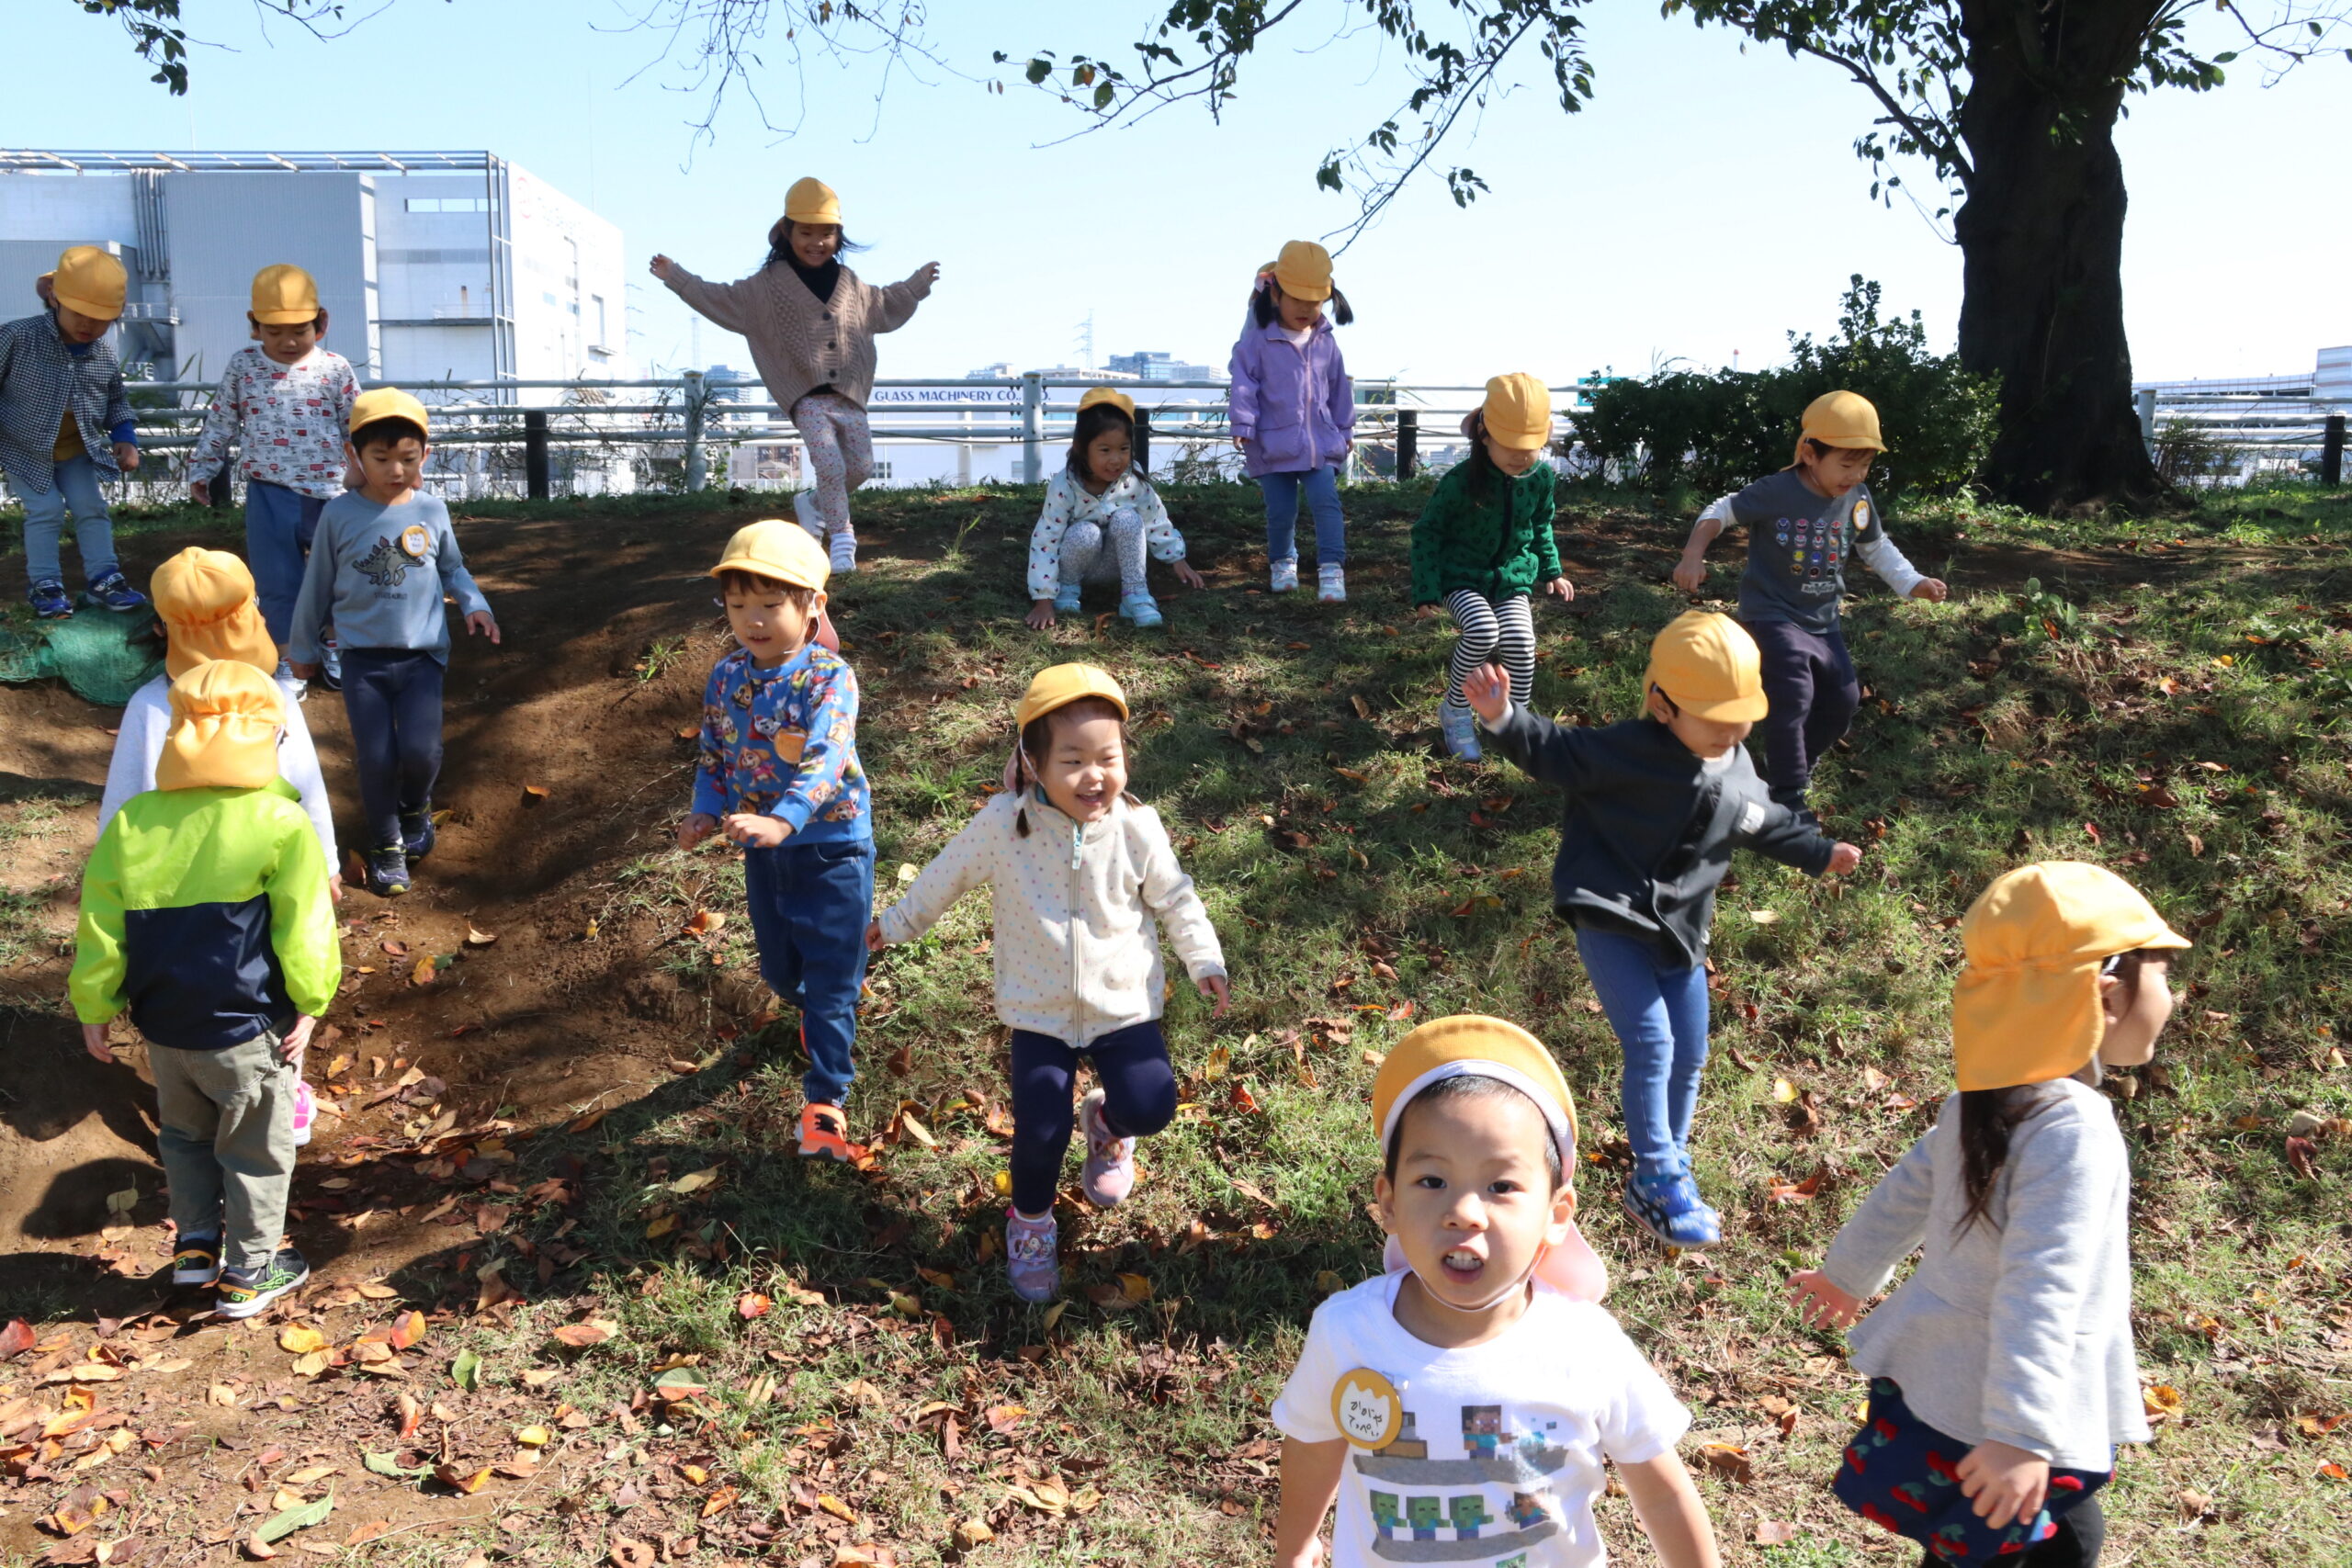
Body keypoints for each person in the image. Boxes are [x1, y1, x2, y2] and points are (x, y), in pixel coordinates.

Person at [1788, 863, 2188, 1567]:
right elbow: (2042, 1287)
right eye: (2163, 978)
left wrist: (1848, 1274)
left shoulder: (1989, 1094)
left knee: (2047, 1535)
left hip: (1953, 1375)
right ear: (2104, 993)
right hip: (2009, 1408)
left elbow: (1905, 1189)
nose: (2174, 998)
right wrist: (2020, 1433)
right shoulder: (2074, 1130)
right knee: (2006, 1546)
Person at [1464, 611, 1862, 1248]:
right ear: (1662, 704)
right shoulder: (1626, 751)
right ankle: (1658, 1171)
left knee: (1691, 1049)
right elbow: (1557, 750)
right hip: (1610, 910)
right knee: (1651, 1042)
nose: (1733, 730)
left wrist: (1820, 852)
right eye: (1716, 717)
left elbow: (1768, 824)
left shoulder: (1734, 765)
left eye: (1742, 718)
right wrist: (1503, 717)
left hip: (1681, 929)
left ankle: (1663, 1177)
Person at [1272, 1014, 1720, 1568]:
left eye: (1501, 1186)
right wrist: (1293, 1549)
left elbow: (1662, 1490)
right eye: (1431, 1181)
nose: (1463, 1213)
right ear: (1388, 1202)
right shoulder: (1348, 1332)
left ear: (1556, 1215)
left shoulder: (1586, 1345)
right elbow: (1314, 1448)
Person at [868, 664, 1228, 1302]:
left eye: (1109, 757)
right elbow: (944, 875)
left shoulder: (1137, 827)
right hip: (1039, 1009)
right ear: (1032, 763)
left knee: (1153, 1104)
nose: (1096, 776)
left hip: (1122, 1003)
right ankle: (1031, 1223)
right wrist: (895, 923)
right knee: (1038, 1131)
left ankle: (1109, 1124)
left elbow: (1176, 898)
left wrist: (1204, 960)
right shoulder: (1005, 825)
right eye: (1073, 760)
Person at [69, 659, 340, 1318]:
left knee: (184, 1138)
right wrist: (311, 999)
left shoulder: (133, 824)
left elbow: (101, 924)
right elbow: (306, 925)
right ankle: (249, 1272)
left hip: (164, 1029)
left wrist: (94, 1007)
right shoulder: (279, 822)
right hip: (247, 1028)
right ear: (261, 735)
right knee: (254, 1147)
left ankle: (195, 1253)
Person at [679, 521, 874, 1163]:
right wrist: (705, 811)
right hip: (765, 854)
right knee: (781, 971)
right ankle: (814, 1005)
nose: (753, 620)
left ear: (813, 604)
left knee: (829, 981)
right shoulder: (728, 675)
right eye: (739, 606)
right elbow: (714, 752)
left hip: (831, 847)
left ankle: (826, 1101)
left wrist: (785, 819)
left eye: (770, 604)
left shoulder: (828, 678)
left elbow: (824, 758)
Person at [1670, 390, 1948, 810]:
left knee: (1843, 700)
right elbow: (1719, 511)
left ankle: (1793, 764)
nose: (1856, 474)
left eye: (1866, 464)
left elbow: (1875, 547)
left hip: (1823, 619)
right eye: (1846, 463)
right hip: (1772, 616)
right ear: (1809, 453)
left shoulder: (1857, 497)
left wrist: (1913, 582)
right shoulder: (1777, 490)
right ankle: (1787, 795)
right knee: (1794, 695)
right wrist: (1693, 554)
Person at [650, 176, 941, 575]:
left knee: (860, 468)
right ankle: (841, 537)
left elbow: (884, 305)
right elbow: (722, 298)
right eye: (806, 232)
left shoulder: (851, 282)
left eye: (827, 234)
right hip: (805, 395)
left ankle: (813, 504)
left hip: (849, 394)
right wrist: (677, 277)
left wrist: (916, 285)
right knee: (832, 467)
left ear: (839, 236)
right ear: (786, 232)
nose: (816, 242)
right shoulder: (765, 287)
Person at [287, 389, 499, 898]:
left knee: (422, 752)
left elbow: (451, 566)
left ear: (423, 456)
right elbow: (315, 586)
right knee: (377, 757)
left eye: (407, 458)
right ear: (354, 456)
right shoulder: (339, 515)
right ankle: (386, 846)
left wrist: (475, 604)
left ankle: (415, 807)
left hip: (423, 655)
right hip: (362, 659)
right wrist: (304, 650)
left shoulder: (430, 509)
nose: (395, 470)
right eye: (381, 459)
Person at [186, 264, 361, 684]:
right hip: (269, 491)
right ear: (254, 326)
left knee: (339, 576)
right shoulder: (243, 367)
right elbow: (221, 420)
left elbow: (358, 428)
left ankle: (335, 644)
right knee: (278, 579)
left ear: (321, 324)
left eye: (299, 330)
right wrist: (203, 468)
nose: (287, 341)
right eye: (274, 331)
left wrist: (374, 476)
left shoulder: (336, 369)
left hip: (331, 493)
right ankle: (290, 657)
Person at [1411, 374, 1574, 761]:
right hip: (1461, 577)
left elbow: (1540, 525)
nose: (1521, 455)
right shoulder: (1460, 482)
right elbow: (1427, 532)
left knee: (1520, 642)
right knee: (1483, 630)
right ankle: (1454, 710)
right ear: (1483, 435)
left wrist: (1553, 570)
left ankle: (1511, 721)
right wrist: (1426, 590)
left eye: (1532, 446)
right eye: (1511, 444)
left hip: (1512, 579)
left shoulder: (1542, 479)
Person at [0, 247, 149, 618]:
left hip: (76, 450)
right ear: (54, 297)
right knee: (46, 509)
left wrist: (125, 438)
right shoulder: (17, 337)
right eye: (79, 313)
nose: (88, 325)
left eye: (101, 319)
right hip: (23, 448)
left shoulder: (103, 355)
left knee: (91, 507)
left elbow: (116, 401)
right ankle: (45, 585)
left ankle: (104, 580)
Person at [1228, 242, 1355, 603]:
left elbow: (1338, 388)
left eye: (1315, 301)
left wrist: (1345, 428)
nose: (1306, 308)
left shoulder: (1326, 343)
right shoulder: (1256, 342)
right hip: (1272, 442)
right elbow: (1243, 384)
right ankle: (1283, 562)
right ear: (1276, 295)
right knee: (1280, 510)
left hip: (1320, 443)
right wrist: (1242, 424)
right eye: (1297, 299)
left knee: (1326, 503)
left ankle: (1332, 568)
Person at [1023, 387, 1204, 631]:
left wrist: (1177, 558)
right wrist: (1043, 601)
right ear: (1081, 447)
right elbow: (1046, 538)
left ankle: (1135, 594)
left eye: (1123, 449)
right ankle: (1067, 590)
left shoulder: (1133, 481)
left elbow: (1155, 518)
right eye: (1105, 450)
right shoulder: (1065, 484)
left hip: (1118, 565)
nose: (1116, 460)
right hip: (1078, 565)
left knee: (1129, 518)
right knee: (1085, 531)